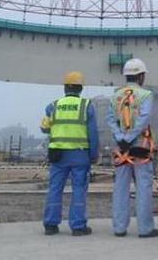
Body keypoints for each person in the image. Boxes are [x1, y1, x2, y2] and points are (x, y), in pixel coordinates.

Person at [41, 71, 99, 236]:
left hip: (58, 154)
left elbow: (44, 128)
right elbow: (93, 133)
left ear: (65, 88)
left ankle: (50, 225)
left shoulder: (53, 106)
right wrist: (94, 154)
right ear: (80, 88)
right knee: (79, 189)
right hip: (80, 154)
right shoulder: (86, 106)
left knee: (55, 188)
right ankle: (78, 226)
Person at [107, 58, 158, 238]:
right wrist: (130, 138)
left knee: (120, 188)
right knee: (143, 188)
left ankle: (119, 227)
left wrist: (121, 138)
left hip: (121, 148)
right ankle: (145, 229)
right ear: (141, 76)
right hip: (140, 148)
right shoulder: (146, 95)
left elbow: (110, 119)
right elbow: (144, 119)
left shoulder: (115, 95)